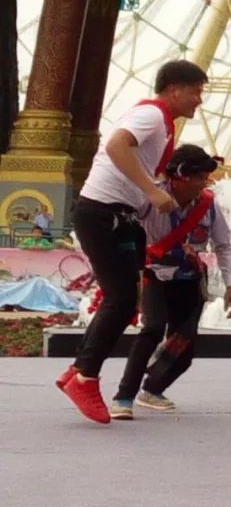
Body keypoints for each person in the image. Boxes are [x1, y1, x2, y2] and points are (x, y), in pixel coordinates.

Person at [57, 60, 207, 424]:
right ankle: (85, 378)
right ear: (174, 90)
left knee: (124, 300)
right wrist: (151, 191)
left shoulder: (161, 123)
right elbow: (115, 145)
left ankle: (78, 370)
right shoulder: (152, 115)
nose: (199, 100)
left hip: (118, 216)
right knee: (121, 299)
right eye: (196, 91)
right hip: (101, 213)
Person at [110, 145, 231, 419]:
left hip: (190, 278)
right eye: (200, 177)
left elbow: (223, 245)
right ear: (180, 176)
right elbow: (123, 230)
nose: (204, 183)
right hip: (154, 273)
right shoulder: (150, 198)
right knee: (152, 330)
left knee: (186, 345)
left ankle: (152, 389)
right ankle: (123, 397)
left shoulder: (208, 205)